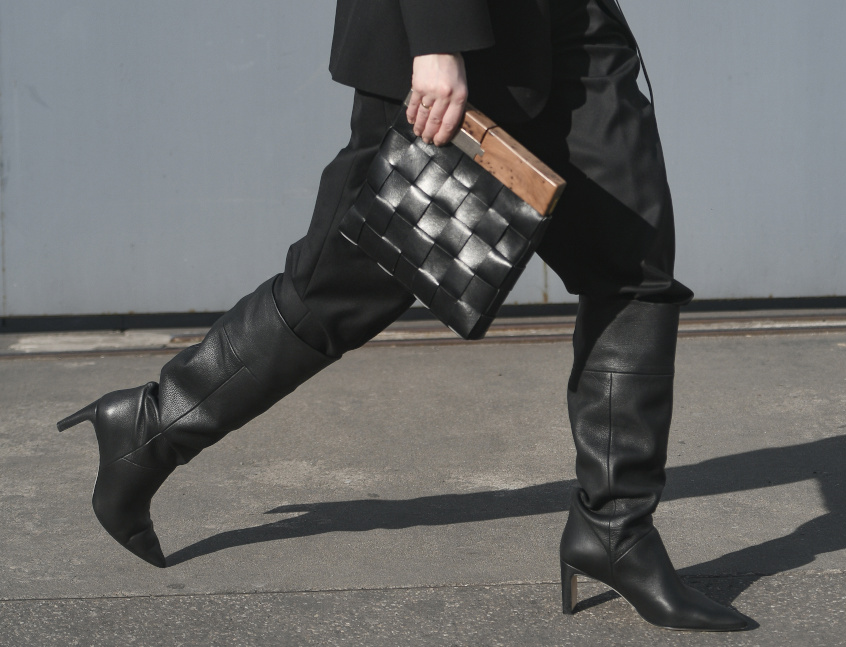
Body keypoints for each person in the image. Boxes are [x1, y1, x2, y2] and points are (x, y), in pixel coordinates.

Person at [58, 0, 751, 632]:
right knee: (341, 286)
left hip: (569, 21)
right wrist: (436, 39)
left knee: (634, 269)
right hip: (456, 31)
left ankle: (616, 530)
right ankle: (152, 426)